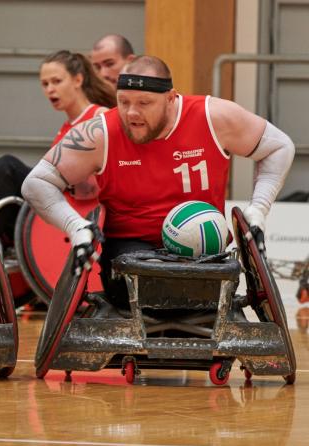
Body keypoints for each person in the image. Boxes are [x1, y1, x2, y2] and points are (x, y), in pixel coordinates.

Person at [22, 55, 294, 308]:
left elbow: (279, 147)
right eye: (124, 101)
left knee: (204, 283)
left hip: (204, 249)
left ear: (171, 99)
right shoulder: (101, 132)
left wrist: (259, 209)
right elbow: (37, 183)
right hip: (132, 249)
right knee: (148, 278)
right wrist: (77, 226)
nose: (131, 113)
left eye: (144, 103)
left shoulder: (213, 117)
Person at [0, 51, 115, 242]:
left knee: (7, 166)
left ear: (78, 80)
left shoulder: (100, 116)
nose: (50, 89)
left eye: (56, 81)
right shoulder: (66, 127)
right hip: (47, 206)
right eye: (45, 84)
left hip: (72, 211)